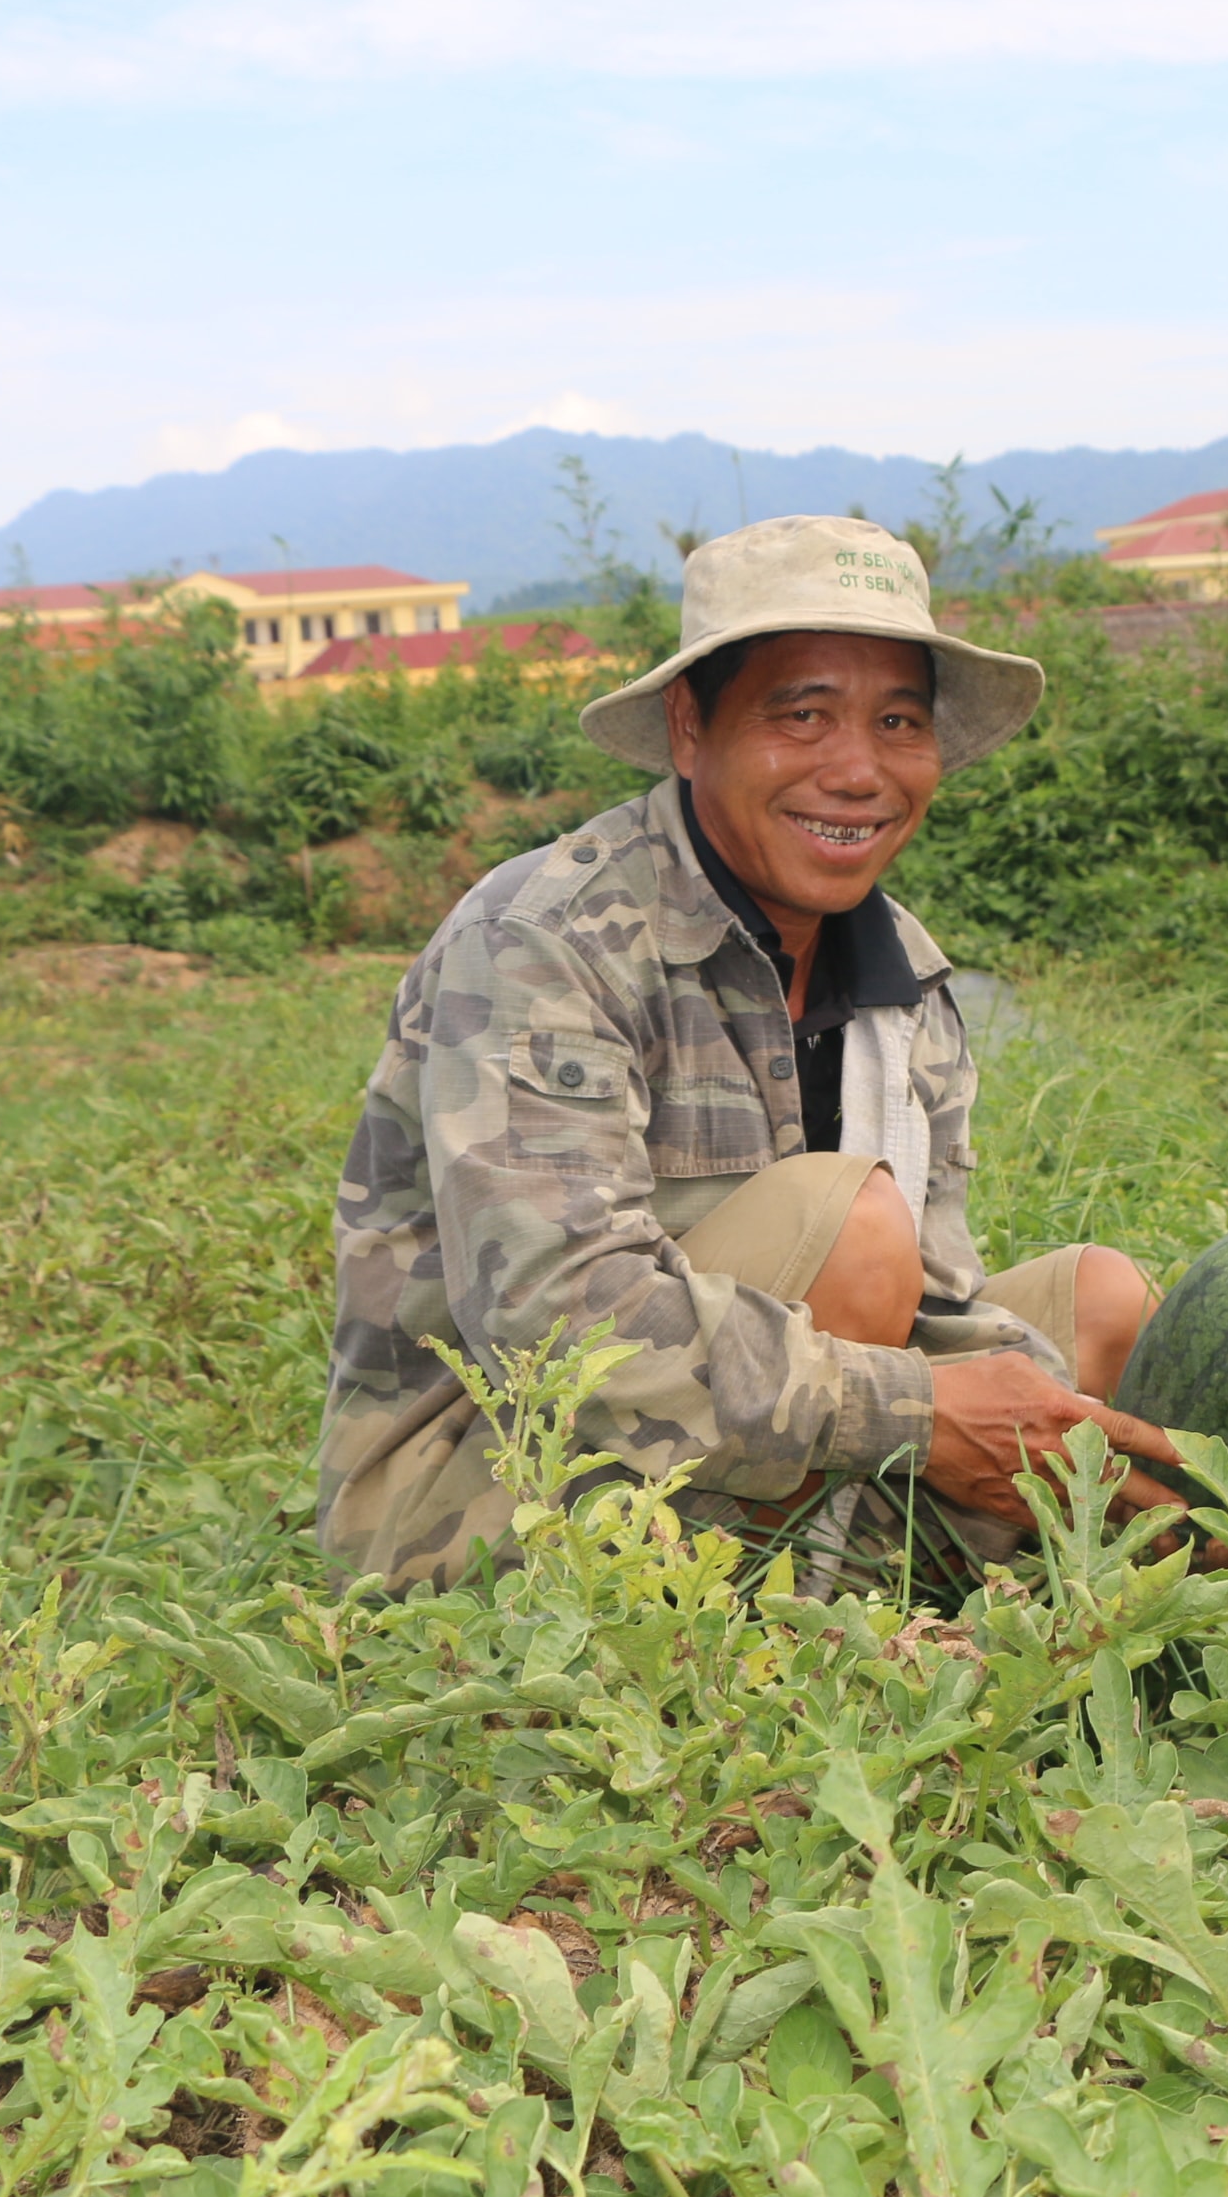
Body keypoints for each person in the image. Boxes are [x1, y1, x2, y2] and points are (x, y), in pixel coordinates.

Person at [315, 514, 1182, 1588]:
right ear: (691, 727)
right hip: (490, 1490)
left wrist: (1053, 1418)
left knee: (1108, 1306)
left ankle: (1157, 1562)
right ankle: (781, 1649)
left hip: (768, 1448)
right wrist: (922, 1411)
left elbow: (935, 1304)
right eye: (803, 714)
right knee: (857, 1235)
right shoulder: (543, 941)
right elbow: (558, 1325)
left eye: (899, 720)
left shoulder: (904, 980)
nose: (860, 770)